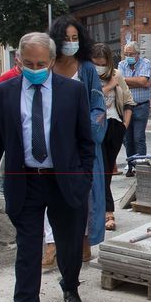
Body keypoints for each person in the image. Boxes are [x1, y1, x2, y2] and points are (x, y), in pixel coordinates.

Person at [0, 32, 95, 302]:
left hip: (64, 180)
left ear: (52, 61)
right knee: (28, 251)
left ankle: (70, 285)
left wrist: (82, 179)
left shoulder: (73, 91)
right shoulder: (4, 93)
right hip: (24, 180)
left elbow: (85, 141)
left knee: (68, 243)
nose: (35, 68)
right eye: (29, 63)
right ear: (18, 61)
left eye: (41, 63)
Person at [48, 16, 107, 264]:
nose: (71, 43)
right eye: (66, 39)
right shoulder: (46, 67)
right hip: (51, 144)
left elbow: (98, 106)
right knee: (50, 194)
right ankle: (50, 244)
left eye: (75, 38)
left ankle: (83, 241)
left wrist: (85, 131)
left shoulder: (87, 69)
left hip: (82, 144)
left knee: (86, 193)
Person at [95, 42, 133, 230]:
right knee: (100, 169)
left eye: (103, 62)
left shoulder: (118, 75)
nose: (99, 66)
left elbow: (128, 101)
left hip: (114, 126)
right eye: (96, 62)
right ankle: (108, 212)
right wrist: (109, 86)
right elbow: (89, 98)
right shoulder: (87, 76)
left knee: (107, 170)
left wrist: (124, 125)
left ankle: (103, 208)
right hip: (95, 127)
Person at [118, 41, 151, 176]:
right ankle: (131, 165)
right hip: (126, 106)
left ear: (138, 54)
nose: (128, 56)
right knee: (127, 138)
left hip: (141, 106)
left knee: (138, 137)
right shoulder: (121, 64)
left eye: (131, 54)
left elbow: (144, 82)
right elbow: (119, 83)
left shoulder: (145, 63)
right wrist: (137, 81)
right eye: (126, 54)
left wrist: (126, 81)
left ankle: (141, 165)